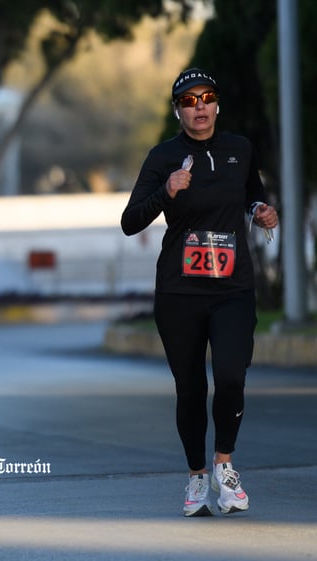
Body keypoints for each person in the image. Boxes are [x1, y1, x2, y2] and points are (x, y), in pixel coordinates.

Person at [121, 68, 278, 517]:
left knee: (231, 376)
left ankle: (224, 467)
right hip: (179, 291)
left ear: (217, 105)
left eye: (207, 98)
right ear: (178, 111)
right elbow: (130, 221)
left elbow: (252, 197)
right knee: (189, 388)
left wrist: (262, 211)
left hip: (233, 287)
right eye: (189, 101)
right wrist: (166, 192)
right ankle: (195, 477)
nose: (200, 107)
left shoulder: (239, 150)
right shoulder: (163, 156)